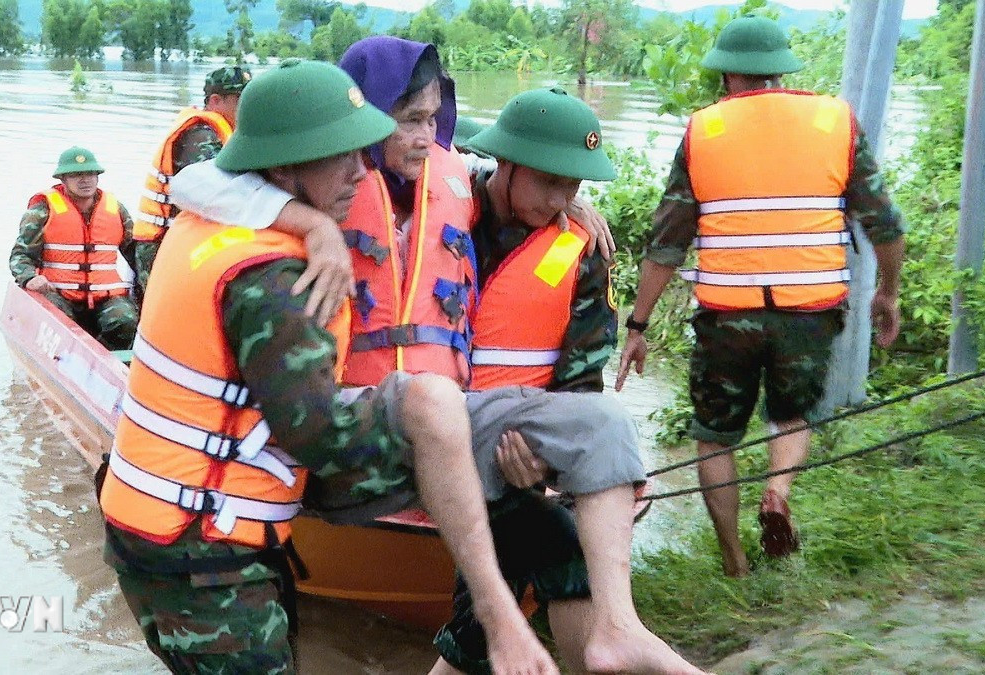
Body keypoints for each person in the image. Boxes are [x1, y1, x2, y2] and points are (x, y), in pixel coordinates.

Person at [171, 43, 703, 673]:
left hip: (470, 430)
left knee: (593, 447)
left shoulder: (468, 195)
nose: (425, 136)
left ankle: (609, 629)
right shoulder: (321, 182)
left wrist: (572, 202)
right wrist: (310, 225)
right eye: (409, 119)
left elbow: (578, 368)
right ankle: (515, 631)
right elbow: (197, 181)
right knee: (536, 558)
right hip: (352, 430)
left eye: (432, 119)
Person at [614, 16, 906, 578]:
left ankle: (734, 561)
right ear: (781, 71)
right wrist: (888, 295)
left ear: (727, 73)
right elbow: (886, 227)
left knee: (713, 438)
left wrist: (639, 326)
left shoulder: (702, 131)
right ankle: (777, 492)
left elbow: (666, 244)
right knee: (791, 416)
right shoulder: (834, 120)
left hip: (728, 316)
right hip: (810, 311)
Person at [430, 87, 663, 675]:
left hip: (520, 442)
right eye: (547, 181)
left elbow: (582, 382)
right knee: (559, 551)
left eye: (574, 186)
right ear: (503, 163)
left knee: (534, 552)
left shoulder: (582, 250)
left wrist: (547, 457)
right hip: (429, 437)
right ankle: (606, 641)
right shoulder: (442, 212)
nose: (561, 199)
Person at [133, 65, 252, 293]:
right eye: (241, 100)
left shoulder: (224, 133)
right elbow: (223, 192)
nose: (249, 108)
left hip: (184, 241)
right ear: (215, 101)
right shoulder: (199, 135)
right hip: (162, 245)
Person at [9, 146, 138, 350]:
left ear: (97, 177)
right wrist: (29, 278)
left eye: (89, 174)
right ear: (63, 179)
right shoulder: (43, 210)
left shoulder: (116, 209)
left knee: (126, 320)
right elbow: (20, 255)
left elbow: (135, 253)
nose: (84, 180)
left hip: (104, 297)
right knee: (58, 322)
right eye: (76, 175)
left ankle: (106, 361)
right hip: (58, 294)